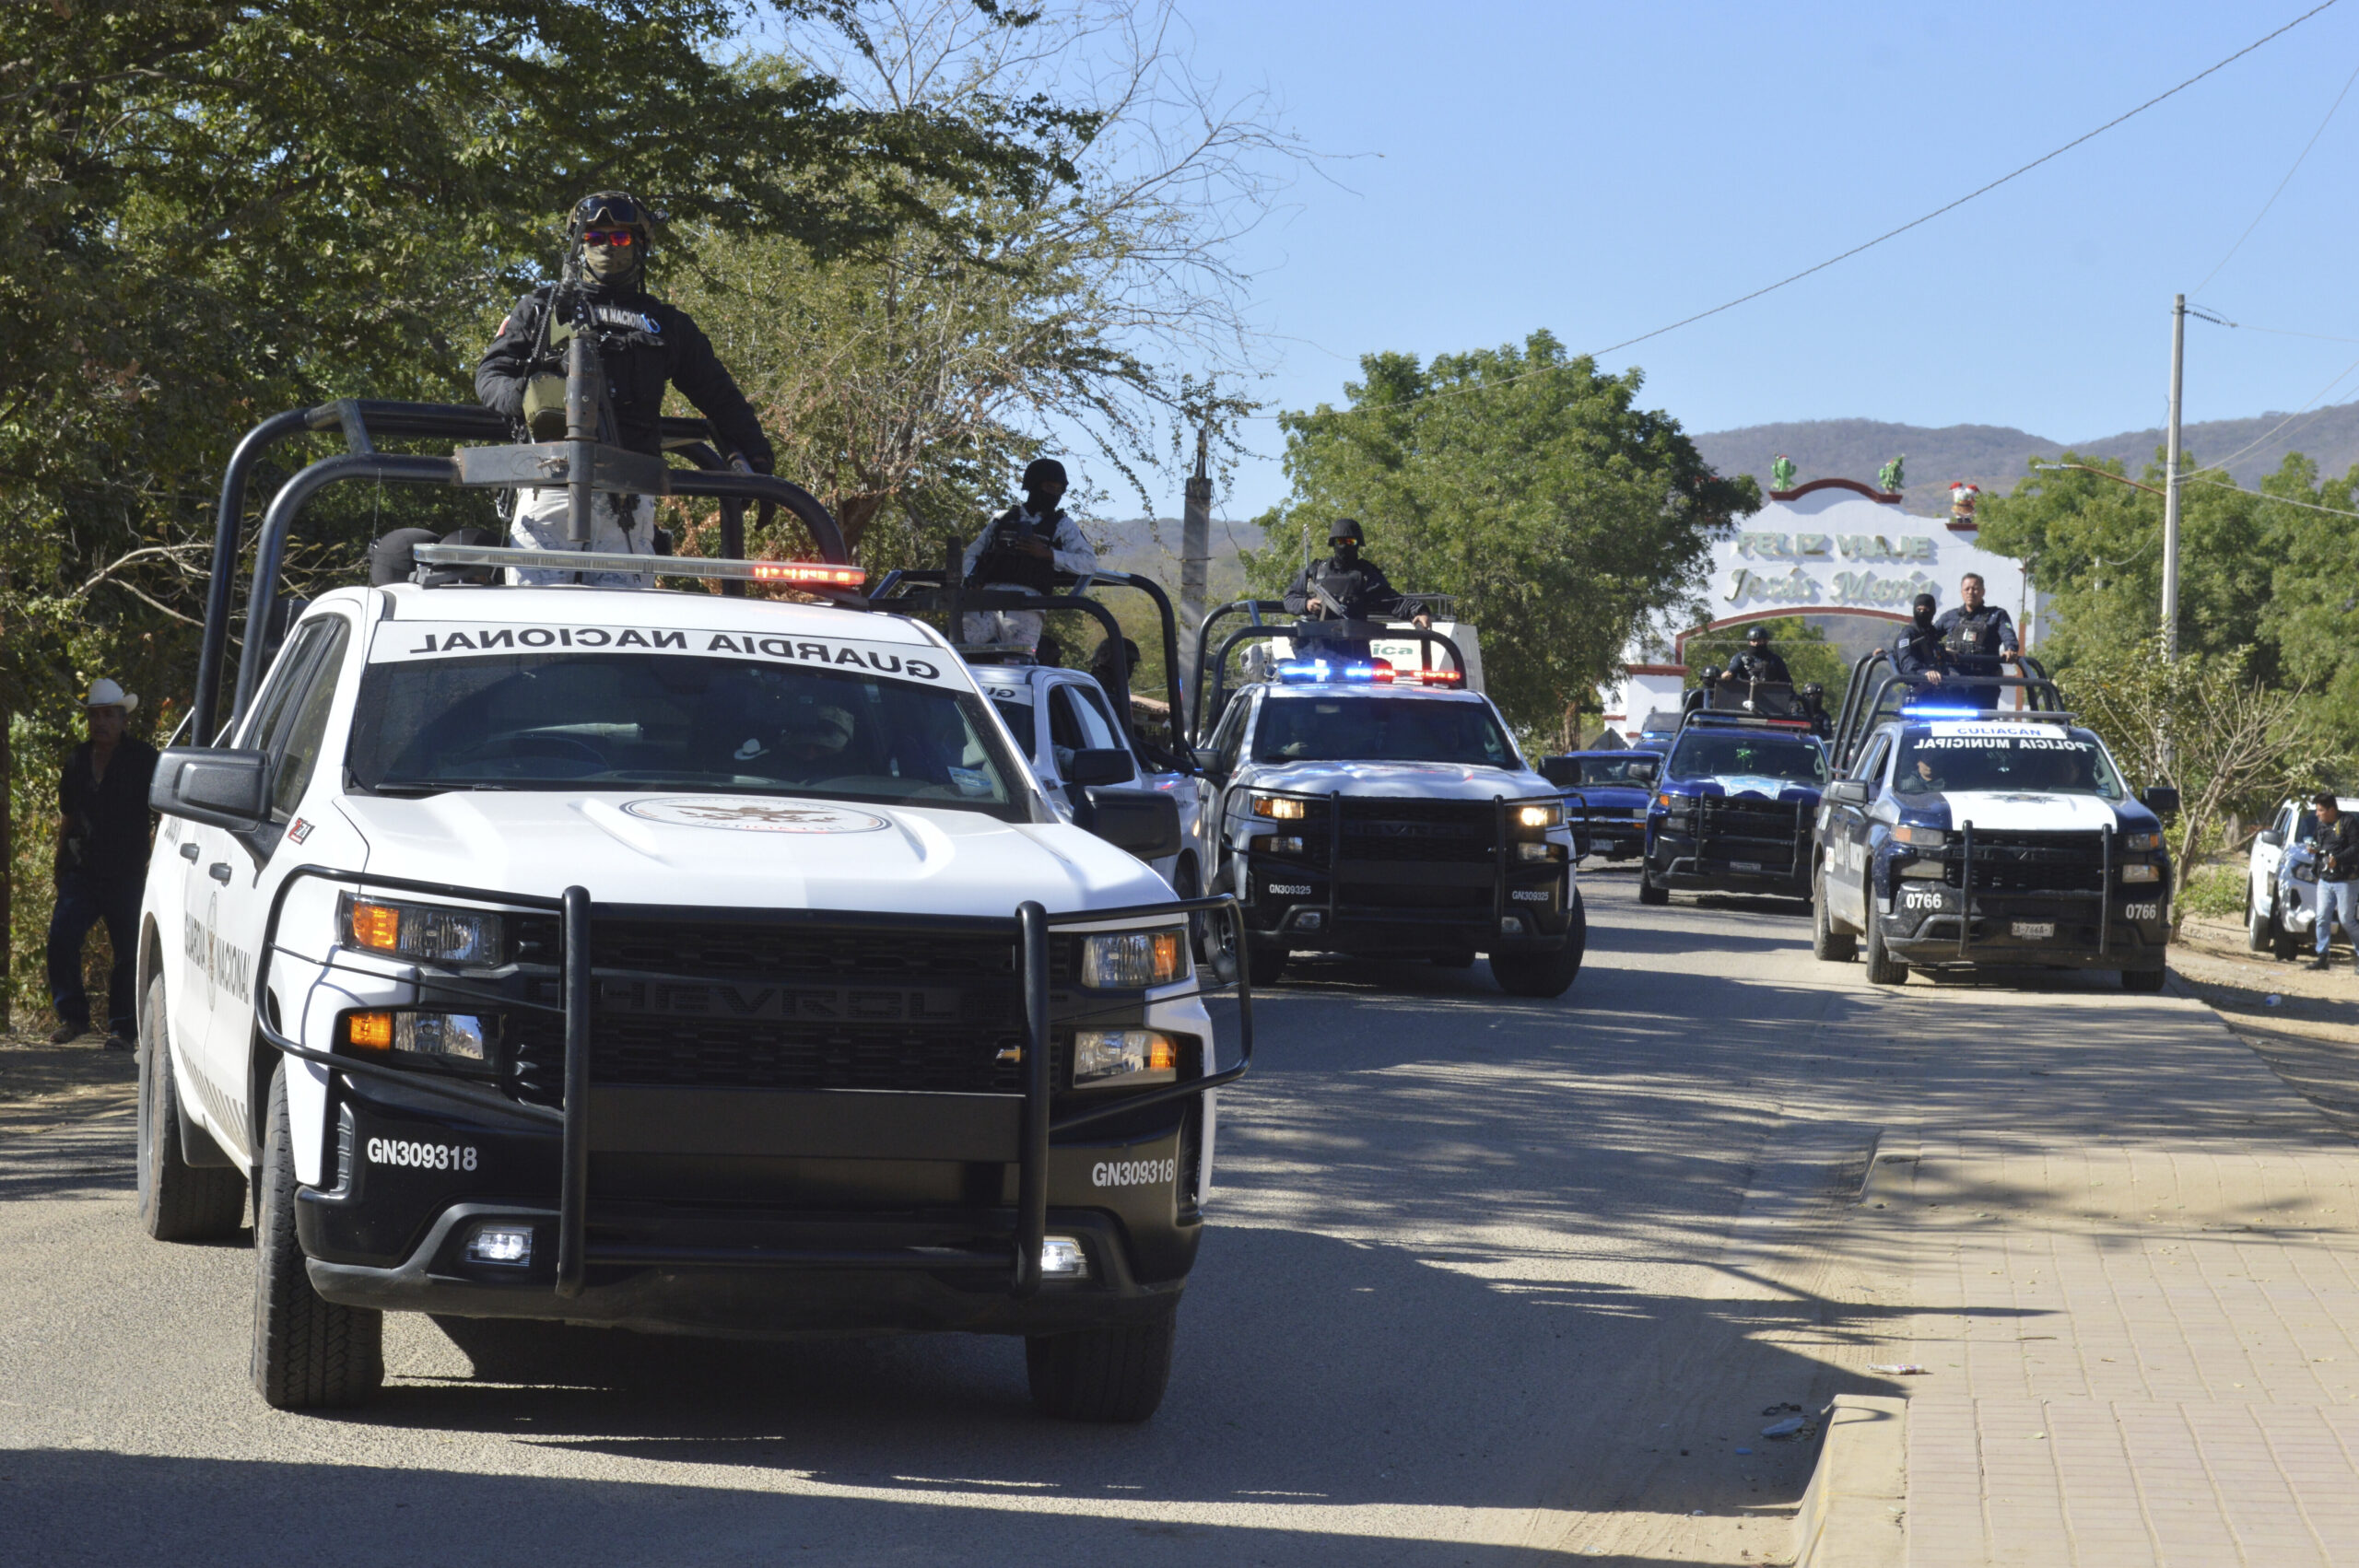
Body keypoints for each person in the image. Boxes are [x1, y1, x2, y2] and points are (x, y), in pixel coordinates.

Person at [477, 191, 774, 586]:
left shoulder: (666, 324)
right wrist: (528, 397)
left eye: (619, 239)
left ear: (639, 245)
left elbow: (721, 399)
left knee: (621, 627)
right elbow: (490, 375)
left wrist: (758, 465)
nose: (606, 248)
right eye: (595, 238)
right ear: (579, 245)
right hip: (549, 491)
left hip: (630, 503)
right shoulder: (540, 309)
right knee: (539, 623)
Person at [45, 680, 158, 1047]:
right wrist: (59, 862)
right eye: (95, 715)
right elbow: (68, 816)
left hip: (127, 871)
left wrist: (157, 862)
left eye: (109, 715)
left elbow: (163, 816)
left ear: (124, 720)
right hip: (82, 869)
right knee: (61, 938)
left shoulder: (145, 759)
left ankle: (123, 1028)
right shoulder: (77, 759)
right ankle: (73, 1018)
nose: (101, 723)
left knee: (128, 952)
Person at [961, 458, 1098, 654]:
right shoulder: (1001, 519)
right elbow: (972, 554)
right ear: (1034, 486)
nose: (1054, 494)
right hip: (986, 598)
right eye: (1049, 487)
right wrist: (971, 578)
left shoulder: (1063, 525)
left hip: (1028, 602)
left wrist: (1048, 554)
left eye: (1058, 490)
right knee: (964, 652)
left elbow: (1089, 562)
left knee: (1018, 660)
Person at [1281, 518, 1430, 661]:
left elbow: (1392, 601)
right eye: (1341, 541)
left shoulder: (1366, 574)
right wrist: (1306, 604)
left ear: (1358, 544)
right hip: (1317, 649)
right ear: (1333, 543)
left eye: (1351, 541)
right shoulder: (1317, 570)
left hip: (1353, 649)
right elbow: (1290, 598)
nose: (1345, 546)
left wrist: (1418, 611)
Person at [1933, 572, 2020, 710]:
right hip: (1954, 682)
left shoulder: (1997, 615)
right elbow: (1929, 638)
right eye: (1967, 589)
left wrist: (2011, 649)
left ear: (1983, 592)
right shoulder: (1949, 616)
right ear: (1961, 592)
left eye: (1975, 589)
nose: (1971, 592)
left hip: (1985, 682)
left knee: (1984, 725)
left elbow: (2008, 635)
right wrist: (1943, 650)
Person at [2310, 791, 2359, 971]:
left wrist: (2337, 859)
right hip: (2325, 879)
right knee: (2322, 917)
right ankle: (2322, 956)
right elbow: (2318, 844)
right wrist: (2313, 849)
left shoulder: (2348, 823)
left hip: (2346, 880)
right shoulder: (2321, 825)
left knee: (2347, 920)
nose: (2318, 814)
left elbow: (2356, 848)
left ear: (2332, 810)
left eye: (2321, 810)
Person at [1892, 593, 1953, 686]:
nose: (1922, 613)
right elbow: (1906, 659)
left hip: (1940, 687)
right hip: (1919, 690)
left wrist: (1946, 653)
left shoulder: (1932, 633)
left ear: (1933, 611)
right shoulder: (1908, 634)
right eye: (1919, 609)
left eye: (1926, 610)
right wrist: (1924, 672)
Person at [1726, 625, 1792, 686]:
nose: (1756, 643)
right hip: (1744, 696)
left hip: (1769, 696)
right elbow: (1730, 672)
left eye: (1759, 640)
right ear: (1749, 641)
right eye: (1753, 640)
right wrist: (1726, 675)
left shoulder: (1775, 660)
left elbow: (1786, 682)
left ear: (1766, 641)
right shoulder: (1740, 657)